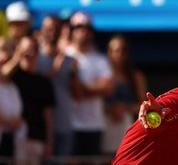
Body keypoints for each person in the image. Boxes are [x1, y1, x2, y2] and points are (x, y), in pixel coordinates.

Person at [65, 11, 113, 159]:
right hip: (69, 125)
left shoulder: (100, 59)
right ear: (71, 31)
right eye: (78, 27)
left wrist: (81, 87)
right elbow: (76, 94)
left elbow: (108, 88)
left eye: (86, 28)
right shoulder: (64, 56)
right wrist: (94, 88)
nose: (83, 31)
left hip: (94, 125)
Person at [1, 36, 56, 165]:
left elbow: (48, 115)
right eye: (24, 50)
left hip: (37, 139)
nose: (28, 54)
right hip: (13, 139)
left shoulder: (44, 82)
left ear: (38, 53)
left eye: (32, 50)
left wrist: (49, 142)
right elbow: (2, 74)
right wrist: (16, 58)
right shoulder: (12, 77)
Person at [37, 15, 78, 158]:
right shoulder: (35, 58)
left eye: (56, 29)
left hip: (65, 125)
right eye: (49, 29)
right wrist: (55, 68)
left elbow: (76, 93)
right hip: (40, 128)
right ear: (42, 30)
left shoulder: (69, 60)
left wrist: (74, 75)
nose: (53, 32)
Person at [102, 34, 147, 156]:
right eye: (115, 51)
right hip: (103, 125)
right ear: (109, 52)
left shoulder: (136, 77)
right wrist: (110, 110)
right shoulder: (101, 75)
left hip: (127, 127)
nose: (119, 55)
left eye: (123, 51)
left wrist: (125, 108)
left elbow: (143, 105)